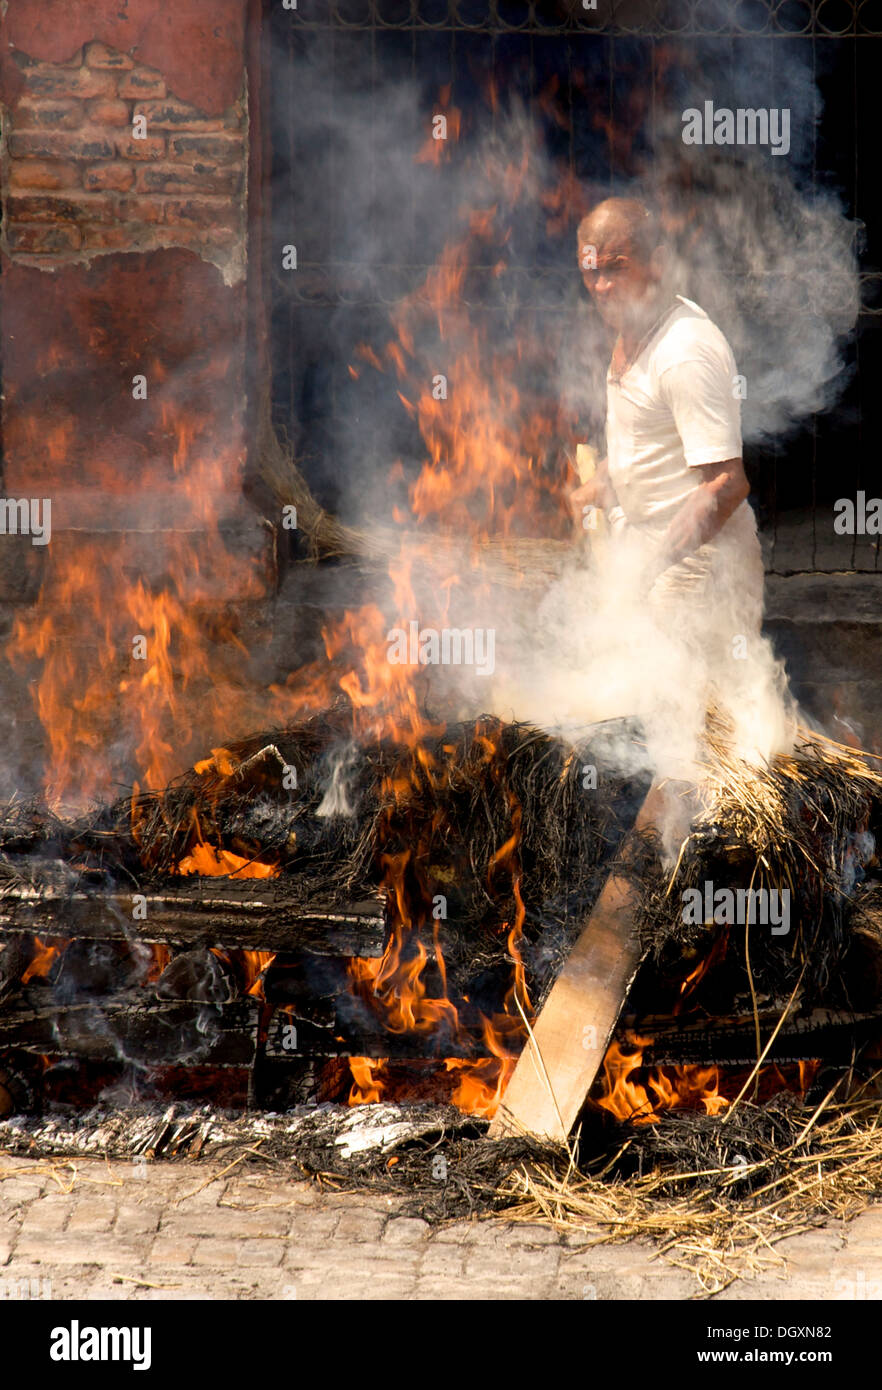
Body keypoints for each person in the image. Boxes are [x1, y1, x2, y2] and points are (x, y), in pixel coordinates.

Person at [571, 197, 765, 661]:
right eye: (590, 270)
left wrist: (644, 573)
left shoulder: (683, 350)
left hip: (697, 572)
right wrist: (601, 484)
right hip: (650, 560)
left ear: (656, 264)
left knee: (695, 724)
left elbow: (726, 484)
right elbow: (653, 446)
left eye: (615, 268)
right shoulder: (632, 329)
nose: (600, 286)